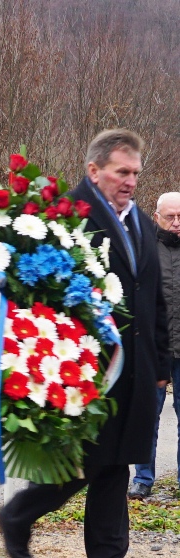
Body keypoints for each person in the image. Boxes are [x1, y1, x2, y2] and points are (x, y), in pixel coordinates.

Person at [0, 129, 169, 558]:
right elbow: (44, 296)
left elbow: (152, 298)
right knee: (89, 460)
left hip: (135, 366)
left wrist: (161, 362)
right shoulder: (68, 217)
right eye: (121, 172)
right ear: (94, 171)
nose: (131, 181)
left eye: (135, 172)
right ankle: (19, 513)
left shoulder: (141, 223)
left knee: (118, 464)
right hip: (83, 366)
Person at [128, 191, 180, 499]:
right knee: (147, 416)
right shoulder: (142, 248)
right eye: (170, 217)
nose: (176, 223)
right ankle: (143, 478)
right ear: (156, 216)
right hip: (152, 350)